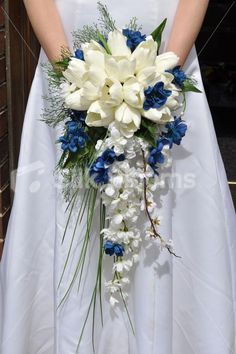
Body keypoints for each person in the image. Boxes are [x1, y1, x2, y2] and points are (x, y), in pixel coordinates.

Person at [1, 0, 236, 353]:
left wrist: (163, 78)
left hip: (168, 50)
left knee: (165, 202)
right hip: (66, 53)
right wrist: (75, 78)